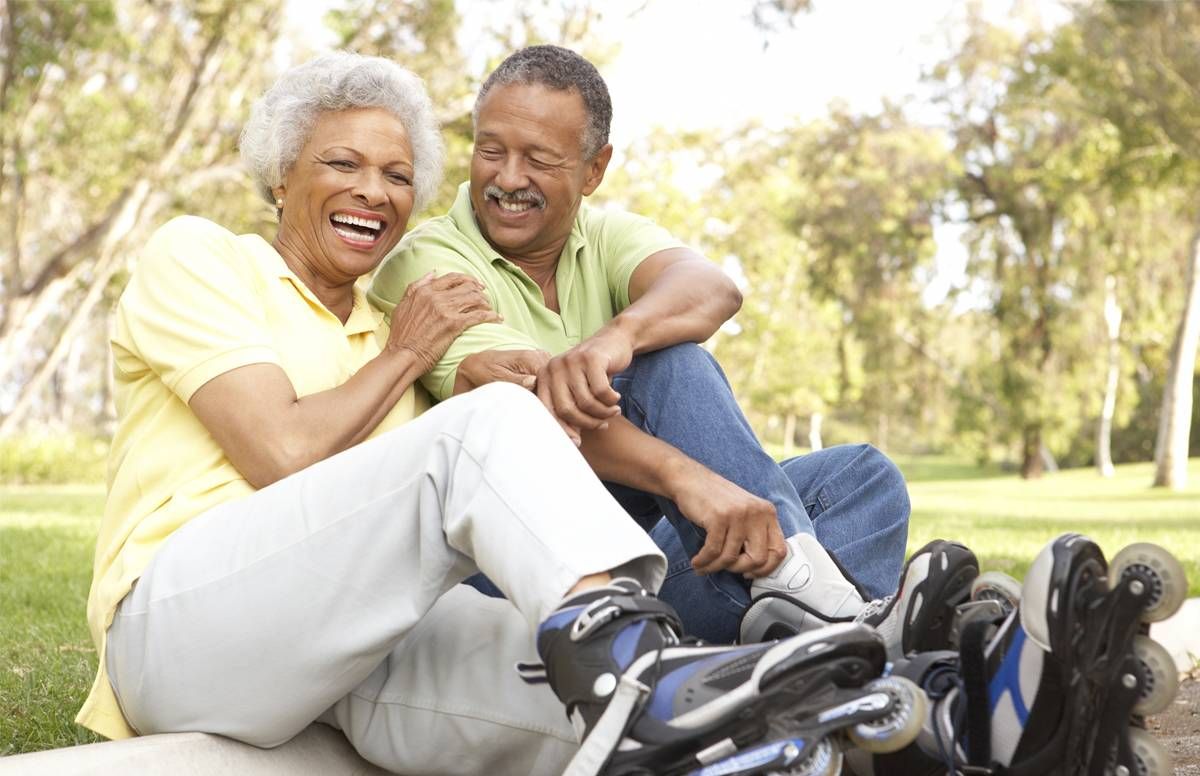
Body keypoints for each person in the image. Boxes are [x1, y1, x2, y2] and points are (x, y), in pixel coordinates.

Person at [74, 52, 925, 776]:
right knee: (495, 424)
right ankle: (687, 637)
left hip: (350, 657)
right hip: (185, 631)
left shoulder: (387, 328)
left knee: (674, 716)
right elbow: (282, 453)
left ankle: (893, 696)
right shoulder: (207, 258)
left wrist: (475, 366)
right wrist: (416, 357)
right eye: (342, 164)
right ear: (279, 171)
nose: (374, 191)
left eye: (399, 175)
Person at [368, 44, 974, 650]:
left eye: (539, 159)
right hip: (504, 575)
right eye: (490, 149)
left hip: (624, 566)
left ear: (593, 170)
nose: (506, 178)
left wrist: (614, 338)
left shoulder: (601, 236)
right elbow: (526, 414)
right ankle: (837, 623)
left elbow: (712, 289)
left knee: (863, 479)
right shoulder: (428, 263)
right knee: (670, 370)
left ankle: (802, 647)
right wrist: (686, 479)